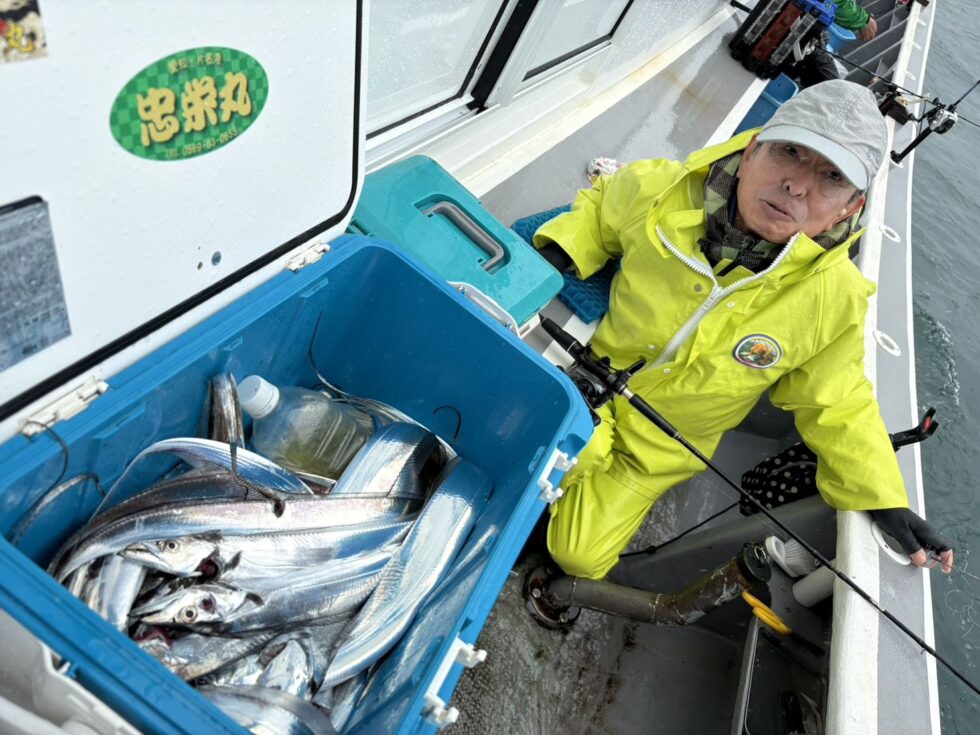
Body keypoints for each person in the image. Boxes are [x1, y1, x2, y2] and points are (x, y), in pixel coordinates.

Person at [533, 79, 955, 581]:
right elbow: (601, 208)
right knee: (542, 453)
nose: (797, 185)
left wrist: (883, 497)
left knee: (578, 556)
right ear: (752, 150)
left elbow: (837, 401)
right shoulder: (661, 190)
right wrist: (563, 247)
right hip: (582, 379)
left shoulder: (835, 298)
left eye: (831, 177)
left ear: (849, 209)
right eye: (790, 152)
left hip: (654, 451)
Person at [793, 0, 878, 88]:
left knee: (825, 37)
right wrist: (863, 20)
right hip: (796, 17)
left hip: (802, 13)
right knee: (831, 83)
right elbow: (835, 3)